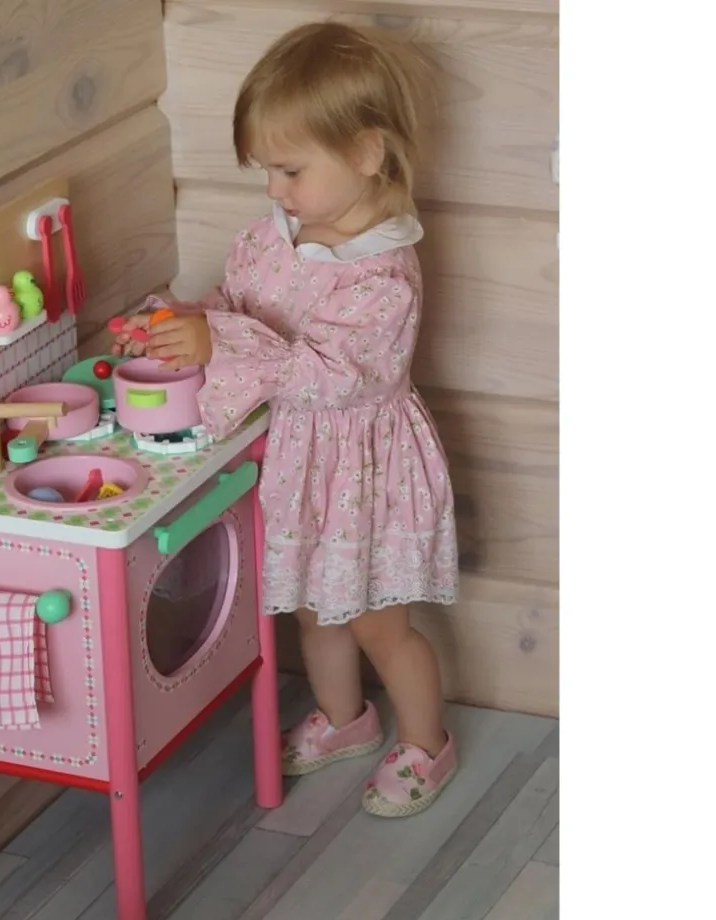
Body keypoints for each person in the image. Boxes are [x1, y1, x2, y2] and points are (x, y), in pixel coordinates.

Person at [112, 20, 459, 818]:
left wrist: (219, 340)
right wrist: (182, 322)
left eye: (291, 169)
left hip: (362, 469)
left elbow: (328, 372)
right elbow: (241, 308)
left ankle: (426, 742)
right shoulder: (275, 242)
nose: (275, 189)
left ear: (367, 152)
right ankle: (345, 718)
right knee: (311, 604)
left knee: (377, 621)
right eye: (267, 169)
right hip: (300, 462)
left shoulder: (382, 276)